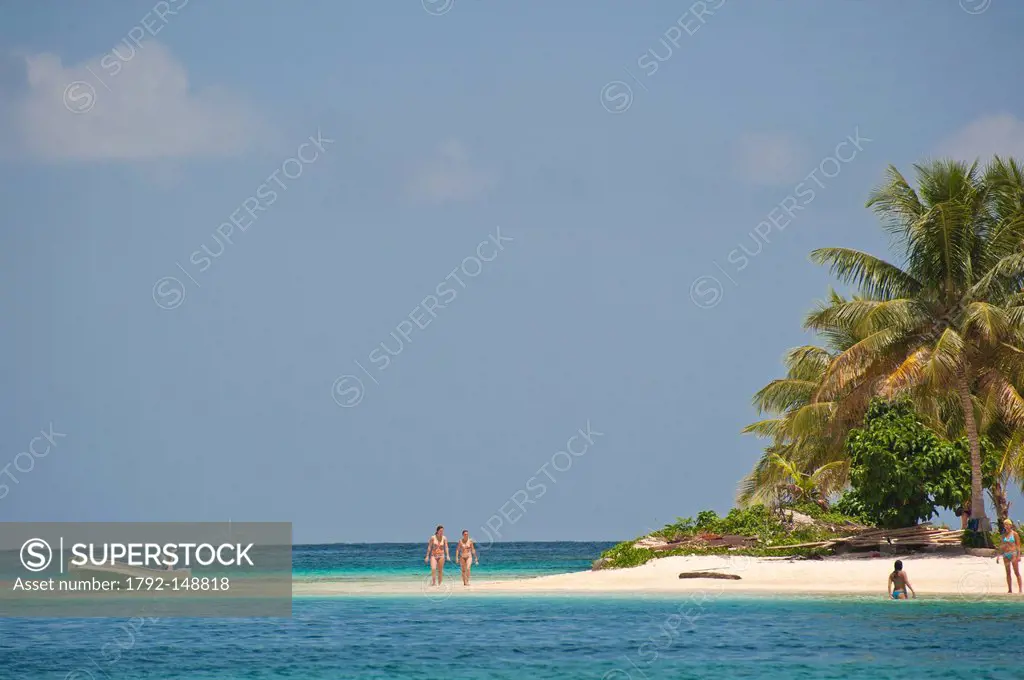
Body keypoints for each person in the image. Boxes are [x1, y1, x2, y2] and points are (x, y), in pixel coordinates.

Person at [996, 518, 1022, 594]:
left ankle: (1020, 589)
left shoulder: (1014, 534)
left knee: (1016, 572)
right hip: (1005, 555)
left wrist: (1019, 556)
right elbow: (1001, 546)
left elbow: (1018, 545)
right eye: (1005, 524)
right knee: (1008, 573)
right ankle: (1010, 589)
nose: (1006, 526)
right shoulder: (1003, 535)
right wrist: (998, 556)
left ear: (1010, 525)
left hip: (1013, 554)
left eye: (1007, 524)